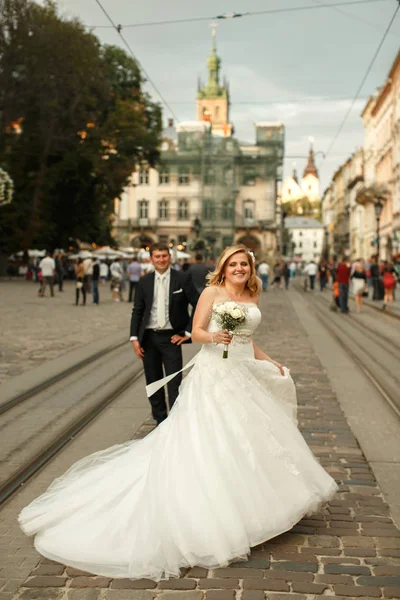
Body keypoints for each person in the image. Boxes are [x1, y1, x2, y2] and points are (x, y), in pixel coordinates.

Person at [19, 243, 337, 581]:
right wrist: (217, 336)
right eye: (234, 265)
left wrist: (270, 361)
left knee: (252, 437)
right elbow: (196, 333)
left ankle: (258, 507)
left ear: (250, 268)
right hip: (216, 376)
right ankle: (219, 514)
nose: (240, 269)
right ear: (224, 267)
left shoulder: (252, 295)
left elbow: (248, 340)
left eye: (244, 264)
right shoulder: (212, 293)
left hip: (244, 373)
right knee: (213, 439)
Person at [130, 243, 198, 425]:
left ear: (169, 257)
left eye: (164, 256)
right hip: (149, 338)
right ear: (151, 259)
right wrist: (134, 338)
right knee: (153, 382)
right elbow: (137, 310)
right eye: (157, 256)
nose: (161, 259)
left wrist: (188, 332)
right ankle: (160, 421)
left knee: (174, 382)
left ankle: (175, 422)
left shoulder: (183, 278)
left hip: (172, 338)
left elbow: (198, 304)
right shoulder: (144, 282)